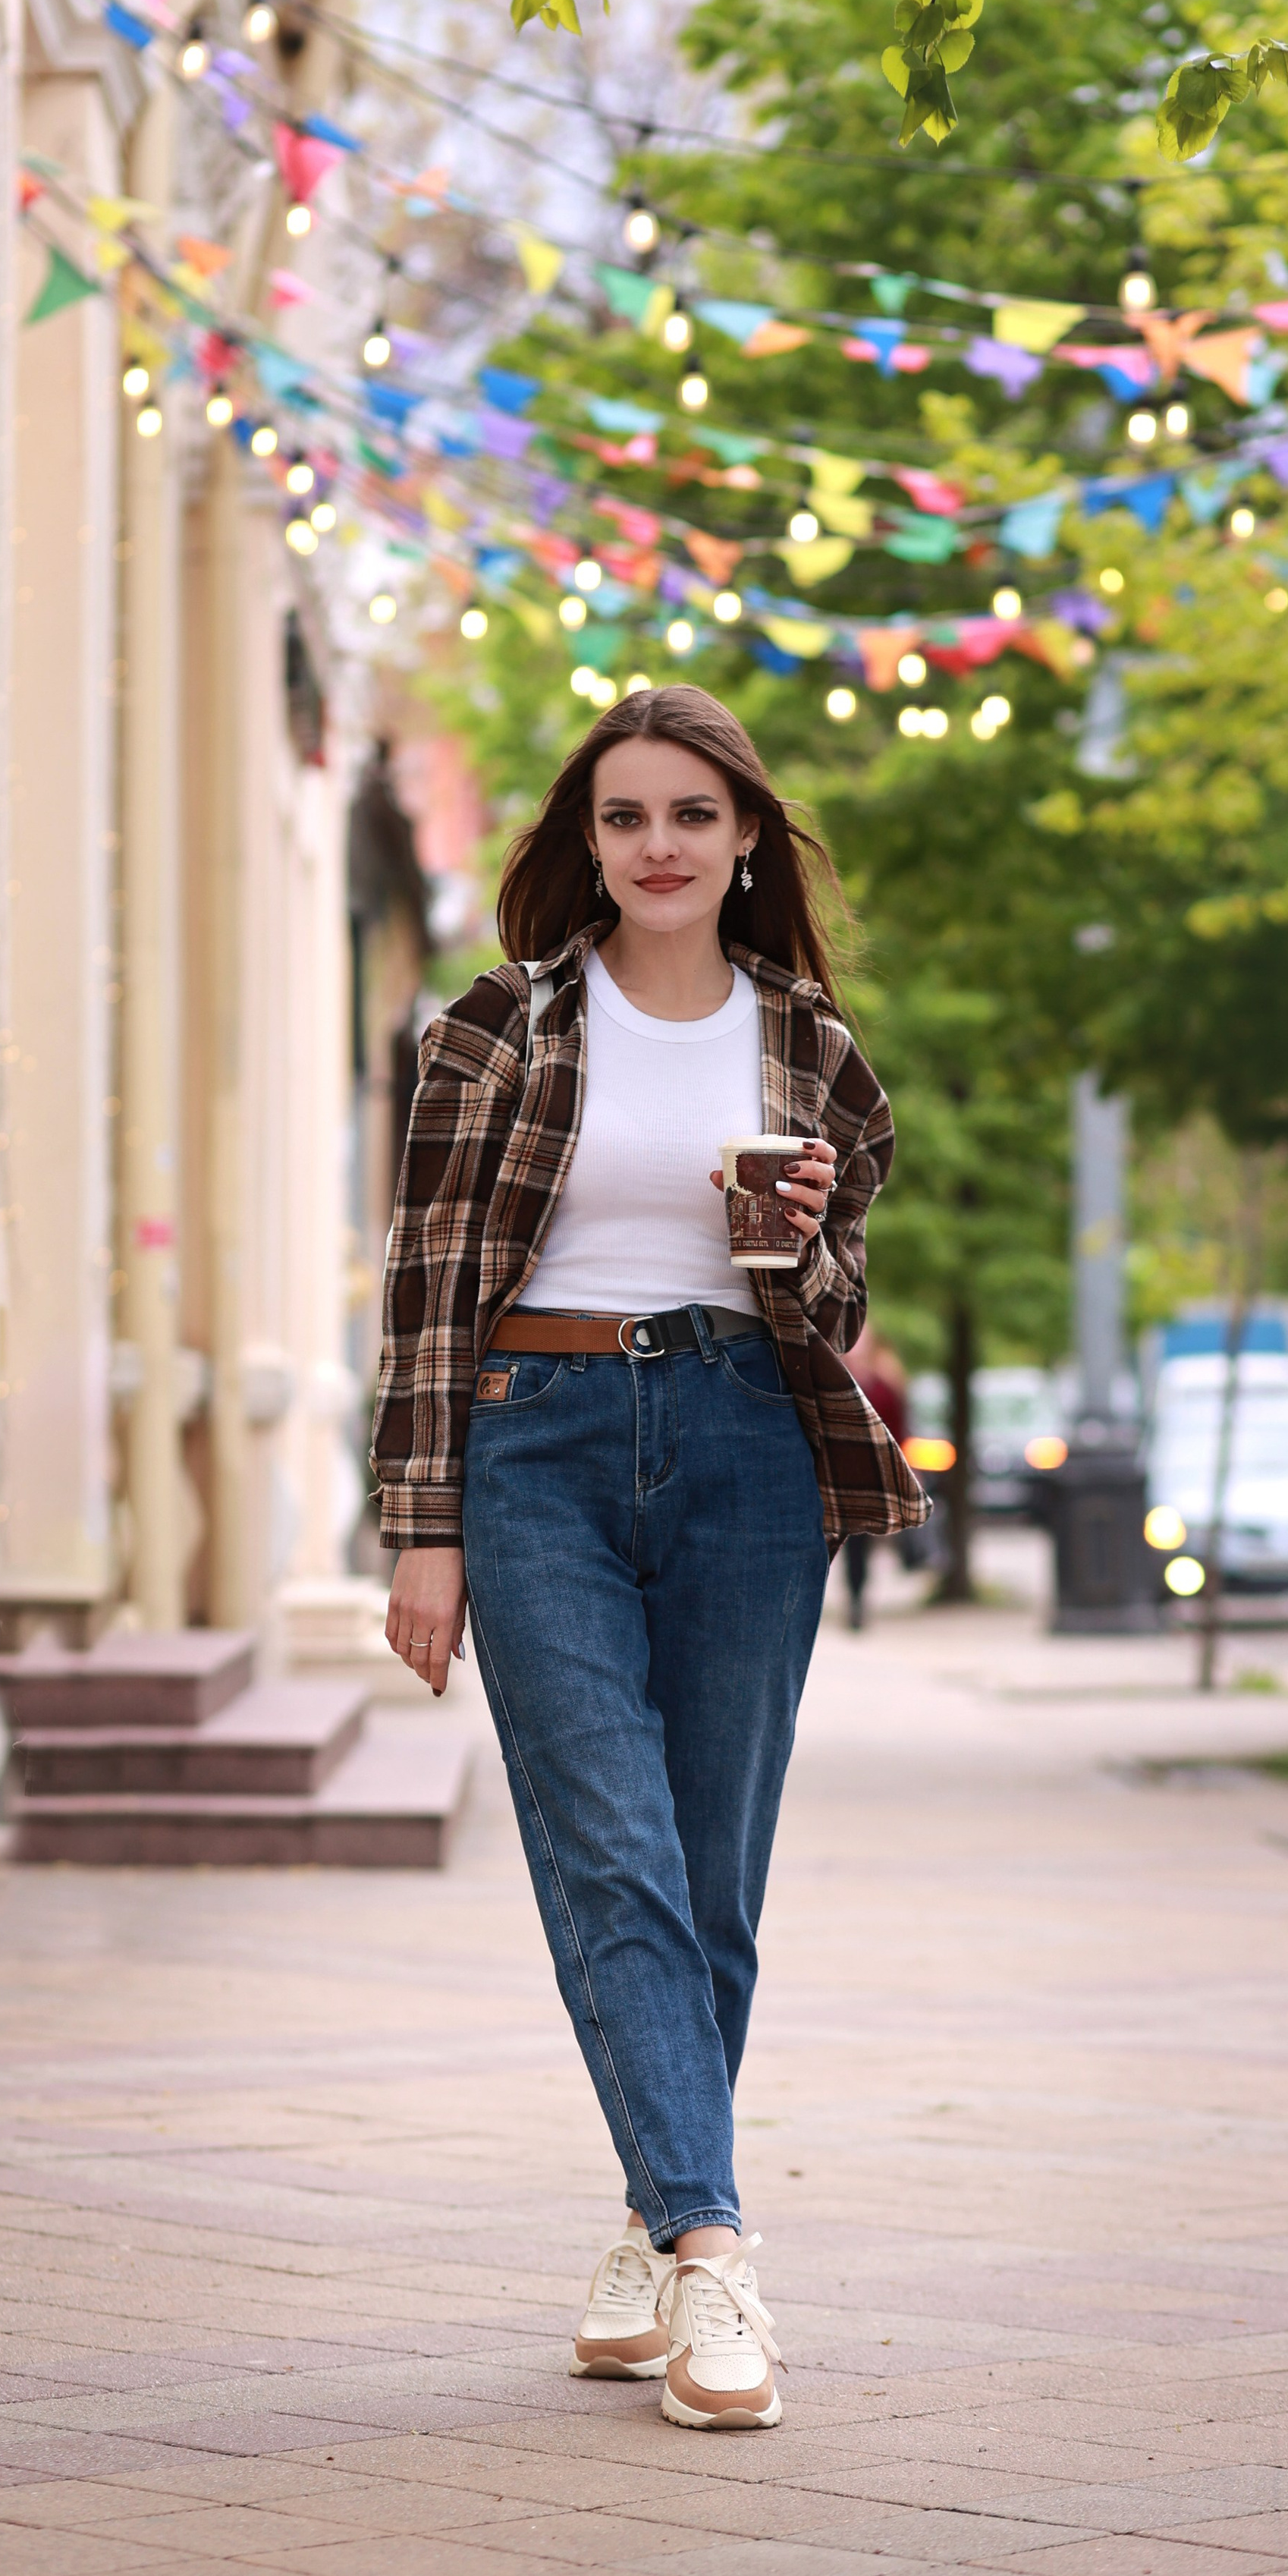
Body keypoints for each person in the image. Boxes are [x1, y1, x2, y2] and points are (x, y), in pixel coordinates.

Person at [372, 685, 925, 2430]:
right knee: (611, 1849)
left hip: (748, 1442)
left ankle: (644, 2223)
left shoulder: (809, 1046)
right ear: (587, 841)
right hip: (532, 1437)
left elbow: (833, 1305)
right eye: (625, 816)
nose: (658, 844)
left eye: (692, 813)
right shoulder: (497, 1026)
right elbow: (423, 1289)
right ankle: (714, 2249)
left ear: (744, 834)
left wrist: (799, 1239)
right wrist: (421, 1527)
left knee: (709, 1876)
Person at [840, 1325, 909, 1630]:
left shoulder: (885, 1385)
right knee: (851, 1541)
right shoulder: (836, 1376)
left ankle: (859, 1597)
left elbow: (899, 1432)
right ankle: (854, 1597)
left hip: (874, 1472)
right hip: (843, 1471)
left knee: (864, 1540)